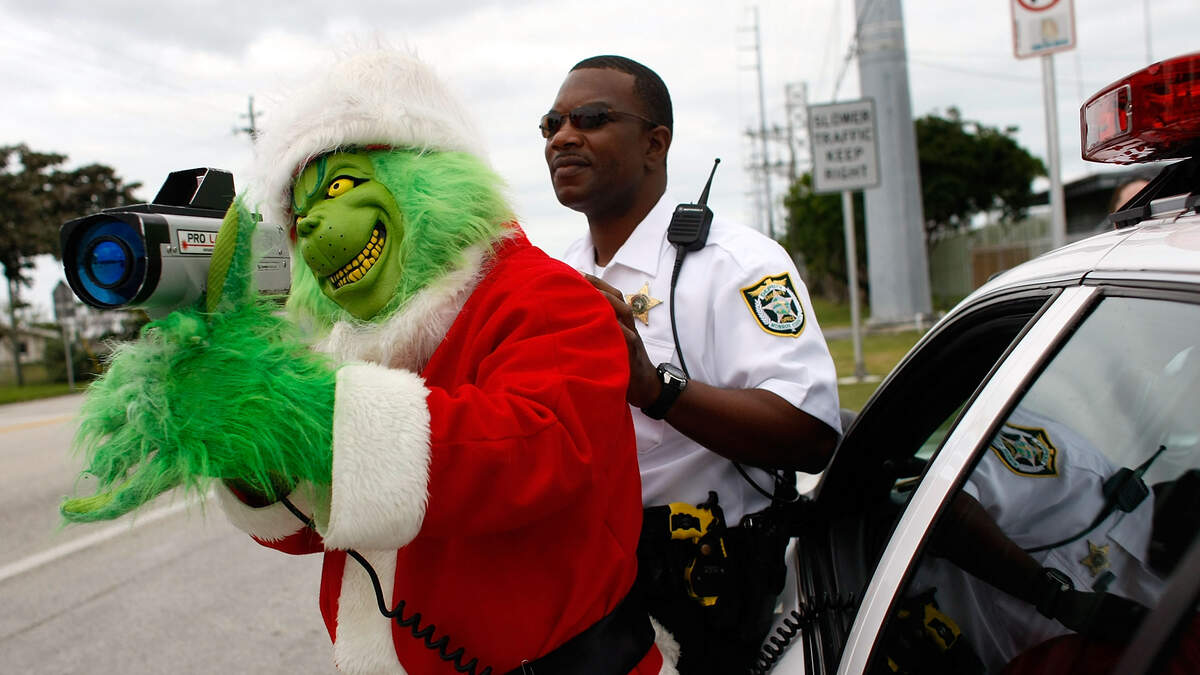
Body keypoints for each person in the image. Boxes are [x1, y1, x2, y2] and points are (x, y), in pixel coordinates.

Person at [62, 49, 675, 675]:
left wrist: (305, 408)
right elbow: (304, 529)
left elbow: (537, 449)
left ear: (430, 176)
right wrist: (249, 435)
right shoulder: (353, 339)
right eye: (298, 215)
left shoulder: (547, 295)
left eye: (341, 186)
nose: (313, 224)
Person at [544, 55, 843, 673]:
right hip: (588, 582)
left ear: (655, 143)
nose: (564, 137)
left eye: (591, 119)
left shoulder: (736, 265)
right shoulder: (557, 276)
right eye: (551, 125)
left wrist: (656, 389)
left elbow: (811, 434)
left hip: (706, 591)